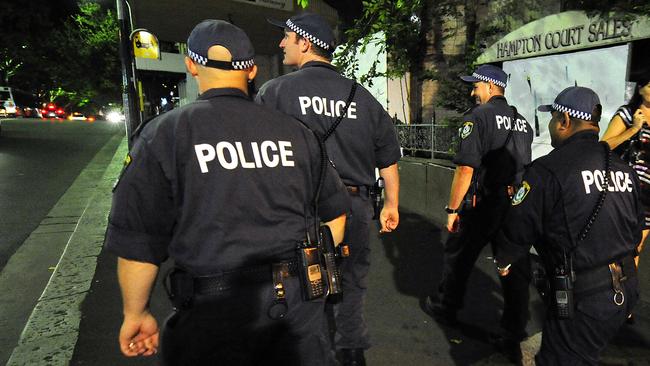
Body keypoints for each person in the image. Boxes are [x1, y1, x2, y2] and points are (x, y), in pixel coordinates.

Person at [104, 19, 350, 366]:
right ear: (250, 70)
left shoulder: (165, 134)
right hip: (296, 315)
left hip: (211, 317)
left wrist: (136, 312)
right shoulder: (298, 133)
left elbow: (139, 241)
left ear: (191, 65)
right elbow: (336, 213)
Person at [256, 12, 401, 366]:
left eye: (287, 37)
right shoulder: (363, 97)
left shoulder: (276, 92)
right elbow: (388, 159)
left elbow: (258, 155)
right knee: (352, 284)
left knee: (303, 284)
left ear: (305, 43)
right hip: (355, 205)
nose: (281, 43)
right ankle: (352, 352)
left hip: (302, 209)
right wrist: (391, 204)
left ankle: (310, 353)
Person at [495, 86, 641, 365]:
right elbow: (635, 233)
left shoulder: (547, 170)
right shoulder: (623, 169)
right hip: (625, 290)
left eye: (552, 118)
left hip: (584, 299)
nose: (550, 125)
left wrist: (505, 260)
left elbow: (516, 231)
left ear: (564, 121)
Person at [423, 64, 534, 360]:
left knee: (459, 255)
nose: (473, 92)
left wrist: (453, 209)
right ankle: (513, 328)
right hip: (515, 205)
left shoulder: (478, 117)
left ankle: (447, 307)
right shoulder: (523, 122)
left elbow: (465, 168)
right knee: (513, 266)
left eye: (475, 86)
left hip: (485, 203)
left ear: (489, 86)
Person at [602, 76, 650, 267]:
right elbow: (603, 145)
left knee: (636, 248)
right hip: (626, 191)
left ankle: (629, 292)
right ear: (640, 89)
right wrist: (633, 130)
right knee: (616, 247)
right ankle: (610, 291)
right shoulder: (628, 114)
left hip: (648, 198)